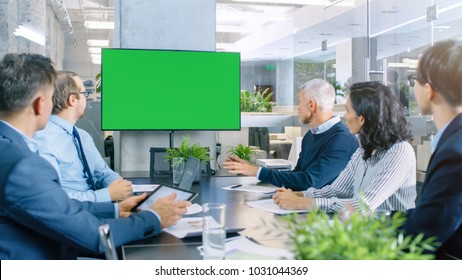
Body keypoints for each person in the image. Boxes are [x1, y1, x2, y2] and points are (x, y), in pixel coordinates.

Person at [0, 53, 190, 259]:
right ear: (41, 104)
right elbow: (94, 237)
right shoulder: (22, 166)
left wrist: (114, 211)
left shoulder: (10, 148)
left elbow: (55, 205)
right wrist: (154, 217)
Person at [273, 81, 416, 213]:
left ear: (362, 118)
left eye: (347, 110)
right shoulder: (363, 151)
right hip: (360, 231)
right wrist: (299, 195)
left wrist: (303, 203)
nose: (344, 116)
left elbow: (362, 206)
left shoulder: (400, 151)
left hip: (391, 236)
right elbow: (336, 191)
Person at [223, 79, 358, 191]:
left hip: (330, 217)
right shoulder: (311, 136)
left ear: (311, 105)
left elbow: (308, 182)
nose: (298, 107)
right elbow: (298, 175)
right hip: (307, 207)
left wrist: (257, 172)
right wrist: (255, 170)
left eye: (300, 101)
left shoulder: (342, 140)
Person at [402, 40, 462, 259]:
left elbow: (422, 237)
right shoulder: (452, 141)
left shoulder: (454, 154)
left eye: (414, 80)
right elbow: (428, 214)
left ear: (429, 90)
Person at [34, 71, 131, 202]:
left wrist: (122, 188)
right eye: (84, 94)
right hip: (72, 213)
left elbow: (102, 173)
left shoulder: (82, 136)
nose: (86, 98)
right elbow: (53, 200)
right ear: (72, 99)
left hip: (97, 206)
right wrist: (107, 195)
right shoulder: (43, 139)